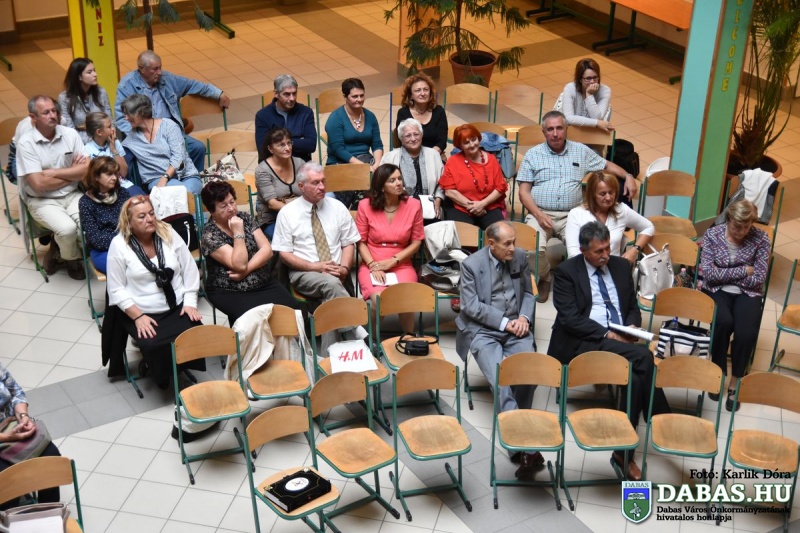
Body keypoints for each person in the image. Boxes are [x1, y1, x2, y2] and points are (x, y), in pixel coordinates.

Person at [548, 221, 670, 481]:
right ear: (583, 251)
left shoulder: (620, 266)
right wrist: (608, 334)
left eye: (607, 248)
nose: (605, 255)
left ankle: (623, 453)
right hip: (583, 340)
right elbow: (570, 319)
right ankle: (660, 418)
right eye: (598, 251)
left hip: (619, 336)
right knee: (644, 356)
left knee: (634, 376)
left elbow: (631, 306)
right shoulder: (567, 272)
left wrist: (631, 327)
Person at [517, 110, 637, 302]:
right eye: (550, 129)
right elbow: (524, 192)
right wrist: (538, 215)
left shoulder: (580, 151)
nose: (555, 133)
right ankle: (545, 276)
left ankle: (578, 283)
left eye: (559, 128)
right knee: (530, 250)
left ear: (566, 129)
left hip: (572, 214)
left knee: (585, 247)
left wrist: (628, 176)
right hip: (539, 213)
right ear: (544, 132)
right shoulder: (533, 154)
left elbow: (606, 165)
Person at [455, 221, 540, 479]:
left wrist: (524, 318)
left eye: (514, 241)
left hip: (517, 325)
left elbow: (528, 293)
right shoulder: (471, 265)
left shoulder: (520, 257)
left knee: (529, 373)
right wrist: (504, 323)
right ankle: (523, 446)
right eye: (507, 244)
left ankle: (518, 438)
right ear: (491, 244)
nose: (513, 248)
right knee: (501, 380)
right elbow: (470, 306)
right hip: (483, 330)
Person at [106, 195, 203, 388]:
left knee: (195, 332)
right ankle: (157, 369)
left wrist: (190, 302)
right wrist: (138, 316)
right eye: (141, 217)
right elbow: (115, 288)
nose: (150, 219)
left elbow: (189, 268)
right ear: (129, 222)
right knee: (153, 344)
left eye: (151, 214)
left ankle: (178, 367)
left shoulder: (167, 232)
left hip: (176, 304)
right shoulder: (119, 245)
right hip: (143, 310)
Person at [700, 200, 770, 412]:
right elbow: (709, 275)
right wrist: (743, 270)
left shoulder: (761, 238)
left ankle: (735, 381)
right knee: (723, 322)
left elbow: (758, 278)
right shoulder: (712, 235)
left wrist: (725, 274)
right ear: (728, 219)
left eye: (747, 227)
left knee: (746, 333)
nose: (742, 232)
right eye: (737, 226)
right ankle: (718, 371)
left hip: (748, 293)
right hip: (716, 291)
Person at [200, 180, 298, 326]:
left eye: (232, 202)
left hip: (262, 282)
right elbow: (239, 265)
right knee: (253, 322)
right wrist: (238, 233)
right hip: (230, 289)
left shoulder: (244, 217)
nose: (231, 208)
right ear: (212, 211)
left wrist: (246, 271)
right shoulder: (210, 235)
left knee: (293, 311)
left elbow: (267, 250)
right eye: (224, 206)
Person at [115, 50, 230, 172]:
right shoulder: (127, 85)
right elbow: (121, 118)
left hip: (171, 132)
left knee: (198, 148)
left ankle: (193, 178)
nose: (159, 72)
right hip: (144, 135)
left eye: (160, 67)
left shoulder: (167, 79)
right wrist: (141, 139)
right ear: (141, 69)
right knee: (137, 158)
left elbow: (192, 85)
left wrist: (219, 94)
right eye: (155, 69)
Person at [16, 95, 89, 280]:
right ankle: (71, 259)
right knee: (67, 229)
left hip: (72, 194)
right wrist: (72, 173)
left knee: (89, 224)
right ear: (33, 117)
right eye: (46, 112)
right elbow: (39, 184)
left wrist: (53, 173)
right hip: (42, 200)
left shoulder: (70, 134)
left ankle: (58, 247)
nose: (53, 115)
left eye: (54, 111)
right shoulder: (26, 143)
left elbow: (86, 170)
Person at [271, 162, 360, 304]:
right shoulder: (287, 213)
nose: (322, 187)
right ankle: (354, 318)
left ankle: (330, 316)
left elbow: (348, 243)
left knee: (332, 289)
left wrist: (344, 268)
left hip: (337, 269)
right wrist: (315, 267)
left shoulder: (338, 207)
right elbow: (285, 254)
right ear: (301, 186)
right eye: (315, 183)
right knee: (332, 283)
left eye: (323, 181)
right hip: (305, 271)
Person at [356, 164, 424, 333]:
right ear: (381, 186)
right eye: (392, 180)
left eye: (400, 179)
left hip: (401, 263)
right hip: (373, 263)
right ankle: (372, 339)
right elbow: (360, 242)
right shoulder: (365, 205)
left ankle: (409, 337)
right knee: (379, 301)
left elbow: (416, 242)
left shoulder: (414, 205)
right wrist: (373, 265)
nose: (398, 183)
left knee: (406, 298)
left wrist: (394, 261)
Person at [0, 363, 62, 510]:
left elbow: (16, 392)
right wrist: (6, 437)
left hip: (12, 427)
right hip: (6, 437)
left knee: (51, 458)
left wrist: (23, 417)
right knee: (8, 480)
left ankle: (48, 512)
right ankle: (9, 519)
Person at [120, 94, 202, 195]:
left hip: (187, 176)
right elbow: (118, 153)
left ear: (140, 112)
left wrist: (165, 177)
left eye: (128, 114)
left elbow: (179, 157)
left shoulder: (169, 126)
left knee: (187, 195)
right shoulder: (131, 139)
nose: (126, 118)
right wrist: (112, 145)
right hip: (157, 180)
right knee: (179, 195)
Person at [565, 171, 653, 262]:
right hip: (584, 267)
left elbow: (648, 227)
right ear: (592, 195)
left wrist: (634, 250)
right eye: (602, 194)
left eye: (611, 192)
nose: (608, 198)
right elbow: (573, 255)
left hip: (613, 267)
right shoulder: (576, 214)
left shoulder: (621, 210)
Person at [439, 123, 507, 229]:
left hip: (488, 206)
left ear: (478, 139)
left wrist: (482, 204)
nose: (472, 144)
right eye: (466, 143)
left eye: (474, 139)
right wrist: (472, 207)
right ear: (460, 145)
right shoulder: (453, 161)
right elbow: (449, 191)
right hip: (461, 206)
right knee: (462, 234)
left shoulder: (491, 159)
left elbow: (500, 187)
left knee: (500, 231)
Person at [383, 118, 444, 221]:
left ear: (422, 135)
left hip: (430, 207)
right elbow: (383, 185)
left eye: (416, 134)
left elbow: (442, 183)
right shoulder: (389, 158)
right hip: (400, 205)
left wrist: (438, 200)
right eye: (408, 136)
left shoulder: (434, 155)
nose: (413, 139)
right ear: (401, 139)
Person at [79, 156, 131, 273]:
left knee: (140, 266)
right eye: (109, 174)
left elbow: (133, 222)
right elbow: (96, 239)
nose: (114, 178)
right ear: (96, 177)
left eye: (115, 173)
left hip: (129, 244)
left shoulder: (122, 193)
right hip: (103, 250)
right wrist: (124, 237)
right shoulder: (85, 202)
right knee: (124, 269)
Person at [255, 127, 304, 239]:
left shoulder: (299, 163)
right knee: (291, 241)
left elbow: (308, 190)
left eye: (289, 143)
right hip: (273, 218)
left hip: (299, 215)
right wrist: (299, 212)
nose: (287, 148)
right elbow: (272, 203)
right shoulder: (262, 171)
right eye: (281, 145)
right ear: (270, 149)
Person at [325, 78, 383, 171]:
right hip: (341, 163)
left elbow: (377, 144)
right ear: (345, 97)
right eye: (355, 96)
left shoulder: (370, 116)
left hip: (365, 160)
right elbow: (339, 150)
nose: (359, 99)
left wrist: (377, 164)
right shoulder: (335, 118)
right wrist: (364, 167)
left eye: (362, 95)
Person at [254, 74, 316, 162]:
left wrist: (279, 144)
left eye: (294, 93)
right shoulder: (262, 115)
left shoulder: (306, 112)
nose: (292, 98)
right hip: (274, 165)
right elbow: (263, 149)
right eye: (287, 94)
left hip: (301, 164)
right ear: (276, 94)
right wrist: (298, 142)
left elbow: (311, 145)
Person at [58, 57, 113, 144]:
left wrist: (109, 136)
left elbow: (109, 119)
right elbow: (69, 128)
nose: (95, 74)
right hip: (79, 142)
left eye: (94, 70)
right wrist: (92, 143)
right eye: (89, 72)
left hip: (104, 138)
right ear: (79, 77)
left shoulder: (101, 92)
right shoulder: (64, 98)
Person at [395, 73, 448, 157]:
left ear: (430, 93)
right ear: (411, 95)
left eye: (426, 89)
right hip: (411, 154)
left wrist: (430, 155)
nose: (422, 93)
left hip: (434, 154)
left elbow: (442, 141)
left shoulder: (439, 111)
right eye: (418, 90)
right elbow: (403, 140)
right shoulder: (403, 113)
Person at [561, 58, 613, 132]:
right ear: (580, 79)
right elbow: (568, 118)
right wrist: (596, 123)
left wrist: (589, 95)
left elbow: (597, 117)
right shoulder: (570, 88)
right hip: (571, 131)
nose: (592, 82)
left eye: (595, 77)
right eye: (588, 78)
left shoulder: (605, 90)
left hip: (592, 133)